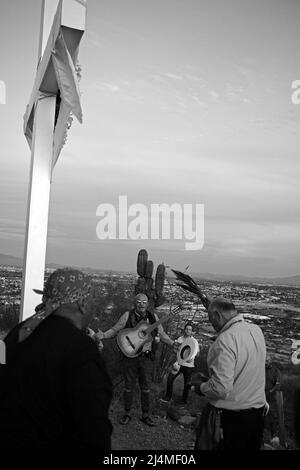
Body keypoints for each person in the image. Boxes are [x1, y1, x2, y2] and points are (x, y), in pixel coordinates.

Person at [0, 268, 112, 451]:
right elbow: (93, 427)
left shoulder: (19, 332)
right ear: (82, 303)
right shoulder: (80, 348)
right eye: (91, 302)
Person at [193, 297, 267, 450]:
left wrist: (201, 386)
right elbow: (247, 372)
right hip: (257, 415)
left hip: (232, 419)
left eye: (210, 319)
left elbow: (220, 388)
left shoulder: (225, 340)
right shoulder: (256, 330)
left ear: (217, 315)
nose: (211, 324)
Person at [96, 293, 175, 426]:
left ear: (147, 304)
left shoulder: (153, 317)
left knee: (146, 388)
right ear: (135, 303)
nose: (141, 304)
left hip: (146, 357)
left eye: (144, 302)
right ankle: (127, 413)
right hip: (130, 357)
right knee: (128, 387)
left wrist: (172, 343)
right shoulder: (127, 316)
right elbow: (115, 329)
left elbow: (161, 334)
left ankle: (146, 415)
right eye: (138, 302)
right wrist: (103, 335)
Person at [161, 322, 200, 404]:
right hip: (178, 364)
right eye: (186, 329)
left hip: (189, 366)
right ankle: (168, 397)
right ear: (184, 330)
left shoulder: (194, 341)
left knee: (187, 384)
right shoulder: (180, 339)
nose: (187, 331)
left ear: (192, 331)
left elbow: (198, 353)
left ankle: (183, 401)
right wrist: (177, 350)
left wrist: (191, 354)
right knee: (170, 378)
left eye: (189, 329)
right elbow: (175, 350)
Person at [264, 356, 281, 440]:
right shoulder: (261, 369)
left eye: (267, 360)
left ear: (271, 361)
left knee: (272, 416)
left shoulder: (275, 371)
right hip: (260, 395)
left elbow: (278, 385)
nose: (265, 362)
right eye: (264, 360)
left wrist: (270, 391)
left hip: (270, 396)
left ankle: (274, 435)